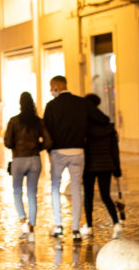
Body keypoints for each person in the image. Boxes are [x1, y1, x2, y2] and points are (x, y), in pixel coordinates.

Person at [42, 75, 109, 242]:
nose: (51, 91)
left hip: (58, 153)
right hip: (78, 151)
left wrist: (49, 150)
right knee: (76, 190)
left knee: (55, 188)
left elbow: (46, 130)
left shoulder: (51, 106)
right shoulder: (82, 103)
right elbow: (103, 119)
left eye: (52, 87)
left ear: (57, 86)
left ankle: (58, 225)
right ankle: (76, 229)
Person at [3, 92, 52, 242]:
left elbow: (7, 142)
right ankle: (31, 228)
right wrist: (38, 147)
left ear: (20, 103)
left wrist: (17, 145)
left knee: (17, 191)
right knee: (32, 193)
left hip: (19, 159)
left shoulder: (14, 121)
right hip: (34, 159)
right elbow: (49, 142)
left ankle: (23, 222)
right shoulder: (38, 121)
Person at [83, 94, 124, 239]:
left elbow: (84, 149)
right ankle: (116, 223)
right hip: (106, 165)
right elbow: (115, 150)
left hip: (89, 166)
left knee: (88, 196)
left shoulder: (85, 127)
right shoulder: (108, 127)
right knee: (105, 195)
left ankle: (89, 226)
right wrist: (117, 169)